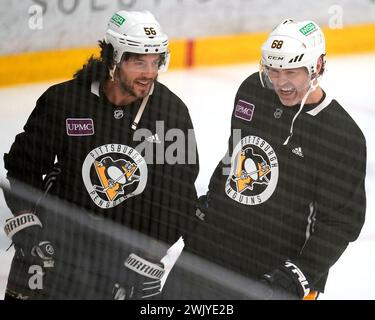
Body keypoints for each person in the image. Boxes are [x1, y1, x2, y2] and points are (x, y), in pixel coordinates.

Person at [2, 10, 199, 300]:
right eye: (138, 61)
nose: (149, 72)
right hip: (59, 243)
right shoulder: (65, 101)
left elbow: (180, 196)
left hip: (125, 254)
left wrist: (150, 255)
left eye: (156, 61)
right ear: (113, 58)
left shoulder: (171, 113)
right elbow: (23, 166)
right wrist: (26, 220)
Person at [195, 19, 366, 300]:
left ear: (318, 67)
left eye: (292, 72)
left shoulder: (342, 135)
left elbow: (342, 223)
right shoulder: (253, 90)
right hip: (214, 247)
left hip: (276, 272)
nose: (280, 82)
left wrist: (301, 274)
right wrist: (211, 203)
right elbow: (234, 153)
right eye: (273, 71)